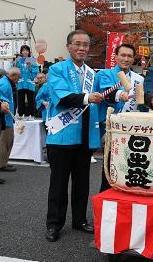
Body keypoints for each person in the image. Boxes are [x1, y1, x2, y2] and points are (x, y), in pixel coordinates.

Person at [45, 30, 103, 242]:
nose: (82, 48)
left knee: (82, 183)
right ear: (68, 46)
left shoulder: (92, 73)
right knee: (58, 184)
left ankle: (79, 220)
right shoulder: (56, 69)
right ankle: (54, 224)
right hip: (61, 136)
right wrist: (88, 97)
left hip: (84, 136)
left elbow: (101, 98)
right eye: (77, 44)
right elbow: (64, 97)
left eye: (85, 45)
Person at [95, 43, 144, 192]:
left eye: (129, 56)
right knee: (110, 165)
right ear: (115, 57)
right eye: (123, 55)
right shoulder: (104, 74)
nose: (126, 59)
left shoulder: (138, 79)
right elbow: (106, 93)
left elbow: (141, 103)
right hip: (110, 127)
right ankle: (106, 198)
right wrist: (119, 95)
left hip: (131, 128)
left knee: (128, 165)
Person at [0, 67, 20, 173]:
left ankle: (3, 162)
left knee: (8, 141)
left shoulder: (7, 82)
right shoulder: (4, 83)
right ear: (13, 76)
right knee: (4, 142)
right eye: (18, 77)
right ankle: (2, 164)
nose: (19, 79)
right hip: (4, 117)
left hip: (8, 117)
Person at [15, 45, 39, 117]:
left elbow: (36, 71)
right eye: (23, 50)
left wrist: (30, 67)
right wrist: (17, 79)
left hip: (30, 83)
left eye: (26, 50)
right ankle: (20, 114)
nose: (25, 52)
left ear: (29, 52)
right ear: (21, 52)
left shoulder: (32, 59)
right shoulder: (18, 60)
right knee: (20, 100)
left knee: (30, 100)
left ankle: (31, 115)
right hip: (21, 83)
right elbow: (15, 70)